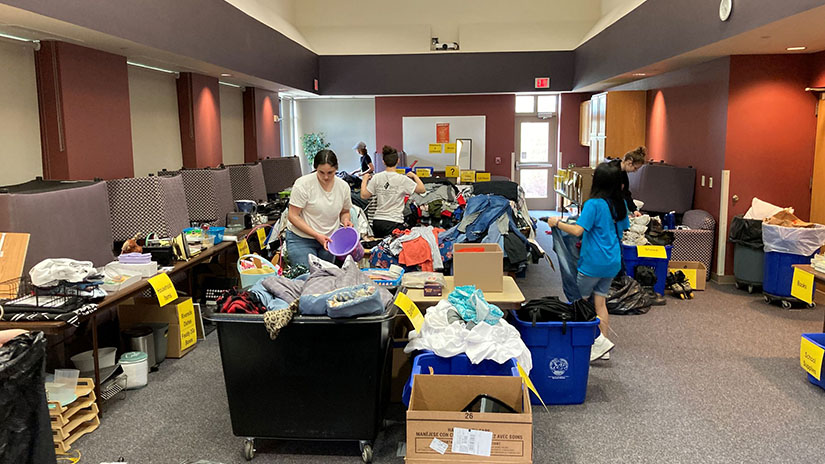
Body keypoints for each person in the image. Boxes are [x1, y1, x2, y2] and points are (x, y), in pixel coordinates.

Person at [544, 163, 630, 362]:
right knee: (600, 303)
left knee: (579, 303)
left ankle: (580, 343)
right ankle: (603, 346)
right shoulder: (620, 204)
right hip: (612, 261)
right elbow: (621, 228)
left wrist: (556, 222)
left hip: (592, 262)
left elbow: (577, 231)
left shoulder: (593, 204)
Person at [286, 150, 353, 268]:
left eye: (330, 173)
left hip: (329, 240)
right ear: (315, 168)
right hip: (301, 239)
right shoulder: (303, 184)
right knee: (306, 277)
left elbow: (345, 211)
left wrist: (346, 220)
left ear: (336, 169)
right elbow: (293, 216)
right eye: (321, 172)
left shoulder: (343, 187)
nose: (326, 177)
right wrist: (317, 235)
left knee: (326, 279)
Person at [360, 146, 426, 237]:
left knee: (380, 249)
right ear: (398, 161)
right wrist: (414, 176)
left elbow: (364, 195)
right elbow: (422, 190)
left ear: (383, 161)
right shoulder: (402, 179)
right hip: (394, 222)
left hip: (377, 222)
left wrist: (364, 180)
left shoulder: (376, 177)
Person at [608, 146, 647, 216]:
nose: (635, 171)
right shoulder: (611, 170)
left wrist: (634, 210)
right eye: (635, 168)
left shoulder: (623, 173)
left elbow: (626, 193)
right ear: (629, 163)